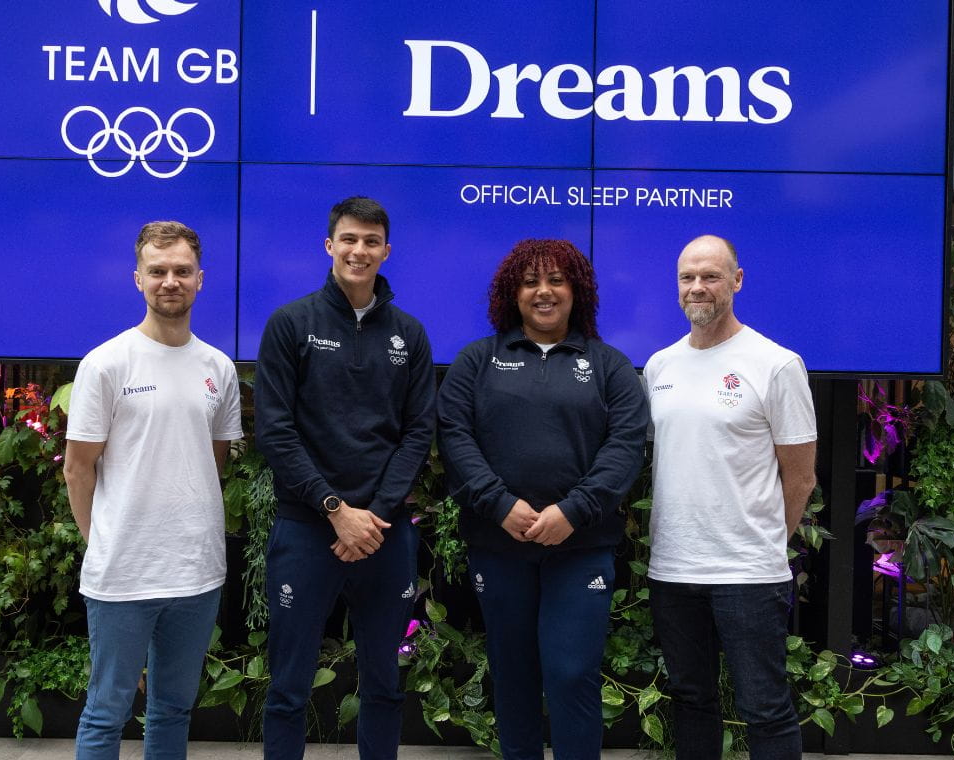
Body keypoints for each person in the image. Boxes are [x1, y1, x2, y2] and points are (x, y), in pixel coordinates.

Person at [437, 239, 648, 760]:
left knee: (571, 672)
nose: (544, 292)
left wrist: (573, 511)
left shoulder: (609, 365)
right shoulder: (477, 360)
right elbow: (454, 436)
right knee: (512, 674)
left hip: (581, 548)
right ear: (513, 293)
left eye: (556, 280)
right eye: (530, 282)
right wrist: (498, 504)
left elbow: (625, 447)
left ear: (577, 291)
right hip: (499, 545)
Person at [255, 196, 437, 760]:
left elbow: (418, 432)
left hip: (384, 533)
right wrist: (334, 509)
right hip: (307, 528)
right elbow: (275, 430)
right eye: (350, 239)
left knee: (384, 682)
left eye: (371, 242)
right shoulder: (291, 324)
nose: (360, 251)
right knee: (288, 685)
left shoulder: (409, 334)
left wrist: (373, 516)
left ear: (386, 251)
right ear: (329, 245)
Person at [63, 221, 243, 760]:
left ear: (200, 279)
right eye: (158, 271)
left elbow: (212, 461)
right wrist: (101, 544)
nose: (170, 281)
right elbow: (77, 469)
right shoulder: (106, 363)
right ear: (137, 278)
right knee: (106, 711)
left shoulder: (219, 367)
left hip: (196, 571)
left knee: (173, 709)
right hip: (123, 573)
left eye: (182, 271)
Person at [644, 234, 818, 760]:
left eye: (711, 276)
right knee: (691, 700)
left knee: (765, 708)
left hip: (748, 573)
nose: (697, 287)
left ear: (737, 281)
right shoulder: (659, 366)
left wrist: (765, 544)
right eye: (687, 277)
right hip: (673, 568)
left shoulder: (776, 364)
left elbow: (801, 478)